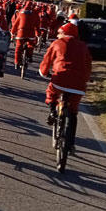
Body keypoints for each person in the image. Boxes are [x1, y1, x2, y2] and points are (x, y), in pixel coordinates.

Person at [39, 23, 92, 152]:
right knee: (73, 112)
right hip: (78, 84)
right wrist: (86, 79)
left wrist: (44, 72)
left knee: (51, 91)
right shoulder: (83, 46)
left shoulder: (58, 43)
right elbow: (88, 64)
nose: (58, 34)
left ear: (63, 33)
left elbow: (47, 60)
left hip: (60, 80)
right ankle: (70, 143)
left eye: (59, 32)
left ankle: (52, 110)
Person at [11, 1, 39, 68]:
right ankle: (29, 56)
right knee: (31, 45)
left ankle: (16, 62)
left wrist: (12, 32)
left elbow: (16, 24)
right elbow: (37, 25)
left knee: (18, 48)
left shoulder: (21, 12)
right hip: (31, 33)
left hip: (21, 32)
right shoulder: (34, 13)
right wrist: (38, 34)